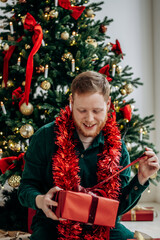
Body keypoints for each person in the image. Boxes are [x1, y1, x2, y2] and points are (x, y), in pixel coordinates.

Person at [18, 71, 159, 240]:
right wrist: (41, 200)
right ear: (71, 103)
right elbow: (25, 188)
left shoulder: (118, 147)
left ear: (108, 105)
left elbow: (117, 209)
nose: (90, 118)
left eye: (97, 110)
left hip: (102, 228)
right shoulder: (44, 137)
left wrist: (141, 178)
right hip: (53, 225)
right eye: (82, 110)